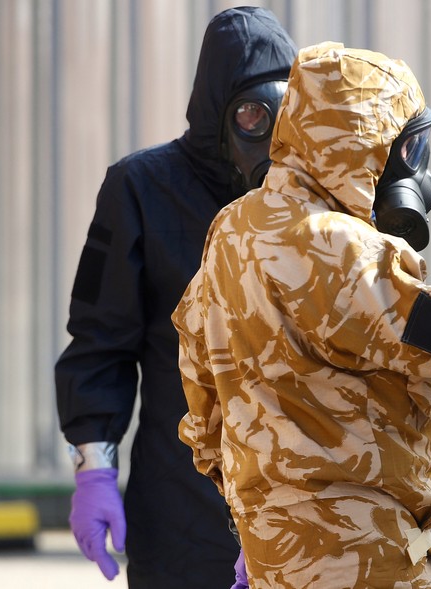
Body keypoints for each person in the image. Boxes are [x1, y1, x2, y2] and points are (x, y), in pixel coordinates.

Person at [173, 42, 431, 588]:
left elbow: (203, 398)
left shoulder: (232, 229)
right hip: (361, 560)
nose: (419, 172)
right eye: (411, 150)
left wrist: (261, 521)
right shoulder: (340, 250)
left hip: (272, 557)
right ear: (364, 145)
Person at [54, 7, 297, 587]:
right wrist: (94, 470)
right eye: (249, 112)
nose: (267, 132)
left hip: (305, 511)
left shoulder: (314, 193)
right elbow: (98, 344)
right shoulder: (141, 188)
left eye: (284, 111)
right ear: (215, 108)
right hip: (185, 515)